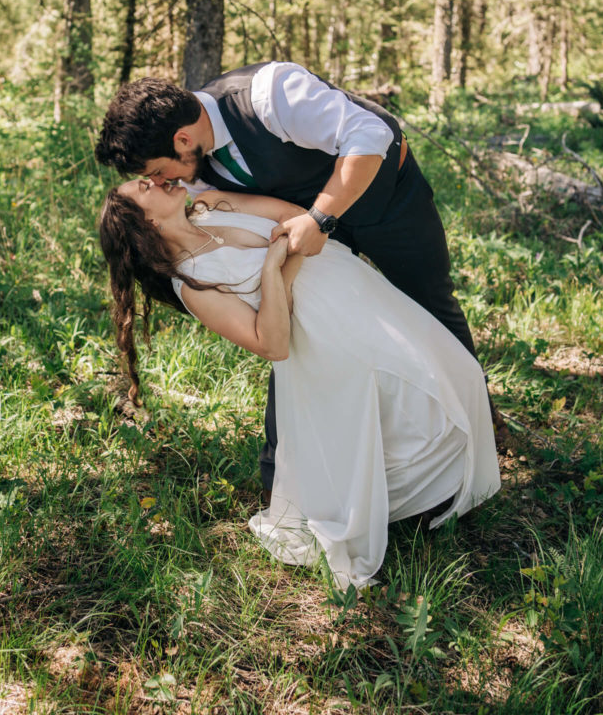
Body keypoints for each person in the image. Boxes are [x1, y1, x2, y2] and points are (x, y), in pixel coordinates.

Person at [94, 61, 504, 496]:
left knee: (430, 303)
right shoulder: (188, 184)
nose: (158, 181)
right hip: (300, 240)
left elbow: (370, 136)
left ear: (182, 139)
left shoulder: (270, 94)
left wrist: (321, 217)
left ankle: (477, 422)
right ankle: (282, 473)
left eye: (157, 171)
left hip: (386, 200)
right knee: (308, 341)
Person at [99, 180, 501, 589]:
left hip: (350, 282)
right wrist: (274, 271)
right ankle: (414, 502)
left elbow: (291, 214)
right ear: (146, 220)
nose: (159, 179)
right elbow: (270, 343)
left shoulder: (208, 204)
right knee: (400, 392)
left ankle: (438, 489)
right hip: (323, 331)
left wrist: (285, 263)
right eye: (145, 186)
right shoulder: (193, 283)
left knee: (454, 369)